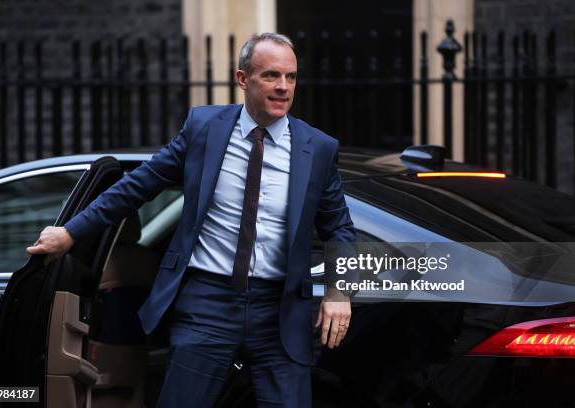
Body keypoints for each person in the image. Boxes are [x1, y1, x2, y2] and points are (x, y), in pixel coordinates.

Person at [27, 32, 356, 407]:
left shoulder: (318, 148)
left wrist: (339, 291)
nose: (283, 87)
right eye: (271, 76)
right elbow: (138, 185)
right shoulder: (204, 128)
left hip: (279, 309)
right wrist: (71, 233)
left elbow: (338, 226)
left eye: (291, 77)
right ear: (242, 79)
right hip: (208, 302)